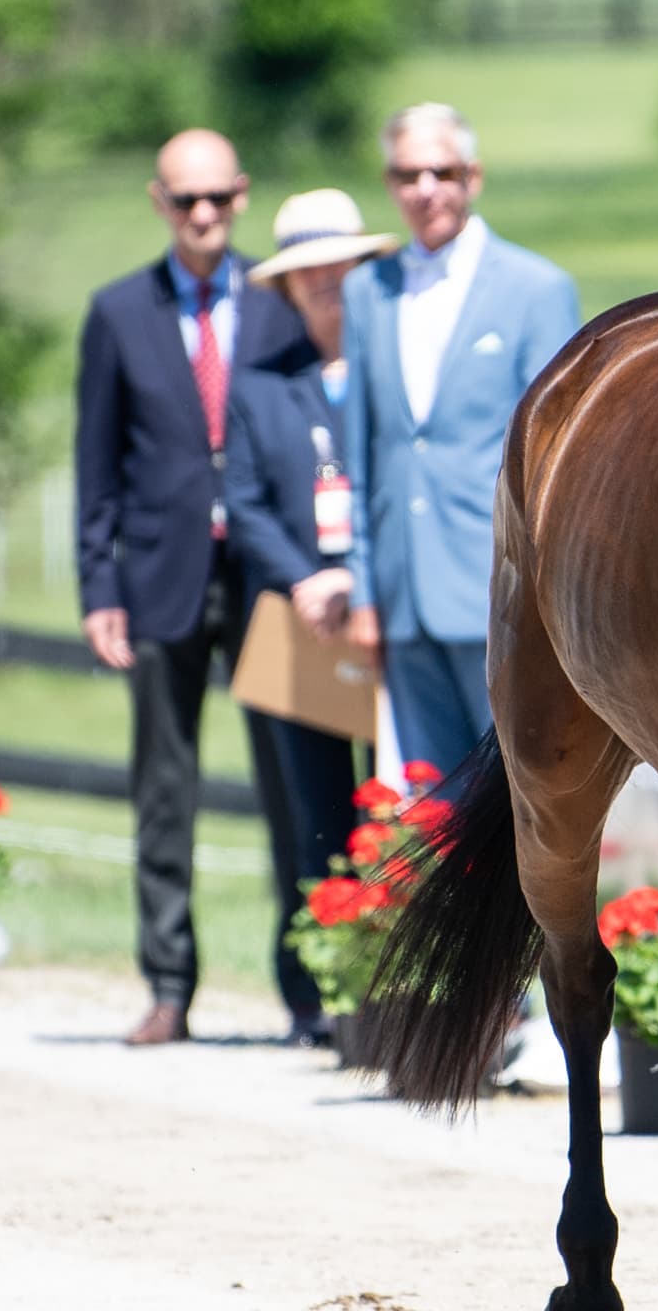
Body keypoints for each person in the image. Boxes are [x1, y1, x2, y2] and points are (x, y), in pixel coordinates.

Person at [75, 128, 309, 1047]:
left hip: (267, 579)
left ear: (241, 196)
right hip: (161, 574)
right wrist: (101, 587)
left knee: (294, 787)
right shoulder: (118, 313)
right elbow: (95, 463)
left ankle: (307, 987)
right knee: (164, 788)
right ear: (158, 203)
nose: (203, 215)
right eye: (185, 200)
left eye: (217, 198)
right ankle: (168, 985)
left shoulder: (276, 304)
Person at [342, 103, 582, 777]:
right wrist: (365, 590)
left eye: (440, 171)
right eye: (406, 174)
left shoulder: (536, 290)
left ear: (472, 177)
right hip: (400, 594)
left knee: (520, 796)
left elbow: (558, 461)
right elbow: (360, 453)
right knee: (430, 804)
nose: (424, 189)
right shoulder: (367, 292)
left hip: (500, 591)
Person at [224, 189, 400, 1046]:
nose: (327, 285)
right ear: (287, 291)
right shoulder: (262, 389)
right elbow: (245, 504)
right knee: (313, 813)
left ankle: (399, 985)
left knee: (405, 804)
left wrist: (360, 580)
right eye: (308, 275)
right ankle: (316, 991)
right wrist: (305, 580)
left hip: (390, 622)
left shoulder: (395, 374)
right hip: (301, 627)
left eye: (341, 268)